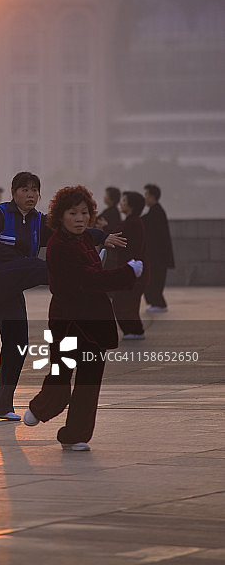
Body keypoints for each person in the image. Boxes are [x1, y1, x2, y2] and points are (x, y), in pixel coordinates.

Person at [0, 173, 124, 422]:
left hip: (12, 288)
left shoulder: (39, 222)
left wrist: (102, 237)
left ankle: (1, 405)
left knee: (17, 341)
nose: (30, 195)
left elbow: (69, 228)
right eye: (25, 190)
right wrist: (24, 262)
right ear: (14, 192)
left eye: (35, 190)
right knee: (38, 266)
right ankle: (86, 276)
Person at [23, 185, 142, 451]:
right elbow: (88, 279)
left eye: (84, 213)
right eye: (73, 213)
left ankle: (75, 435)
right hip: (68, 321)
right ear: (60, 216)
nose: (80, 218)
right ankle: (40, 408)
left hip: (94, 322)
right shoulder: (58, 246)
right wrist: (127, 274)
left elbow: (94, 264)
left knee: (89, 384)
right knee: (60, 374)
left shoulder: (86, 238)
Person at [110, 191, 150, 340]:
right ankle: (134, 331)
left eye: (124, 201)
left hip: (133, 270)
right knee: (126, 303)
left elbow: (121, 239)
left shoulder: (133, 223)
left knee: (125, 303)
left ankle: (134, 331)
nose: (122, 203)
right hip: (132, 269)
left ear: (131, 205)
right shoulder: (132, 222)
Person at [142, 184, 175, 312]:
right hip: (157, 256)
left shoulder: (156, 213)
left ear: (152, 196)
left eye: (146, 195)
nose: (145, 198)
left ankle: (159, 304)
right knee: (153, 279)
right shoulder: (155, 212)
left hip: (158, 257)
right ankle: (156, 303)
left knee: (155, 280)